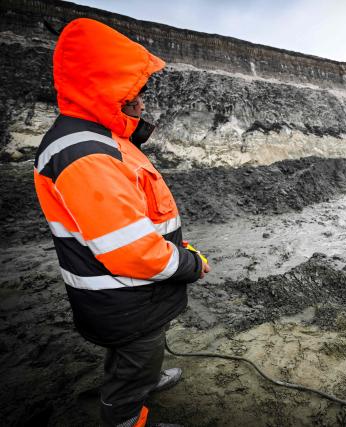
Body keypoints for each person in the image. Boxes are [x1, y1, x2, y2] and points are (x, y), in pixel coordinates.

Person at [33, 18, 210, 427]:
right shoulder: (88, 153)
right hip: (127, 296)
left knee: (140, 352)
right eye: (135, 93)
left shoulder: (96, 138)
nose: (142, 102)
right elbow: (129, 249)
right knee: (135, 359)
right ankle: (126, 415)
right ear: (107, 90)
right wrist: (188, 264)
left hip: (132, 295)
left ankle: (143, 379)